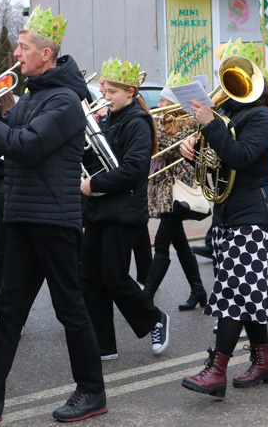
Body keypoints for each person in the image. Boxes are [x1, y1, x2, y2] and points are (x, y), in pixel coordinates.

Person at [0, 6, 107, 422]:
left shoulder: (66, 101)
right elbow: (8, 132)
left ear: (46, 55)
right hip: (23, 215)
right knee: (8, 309)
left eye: (23, 47)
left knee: (70, 308)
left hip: (54, 218)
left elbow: (24, 146)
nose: (16, 54)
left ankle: (92, 391)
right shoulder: (35, 95)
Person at [179, 39, 268, 400]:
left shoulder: (262, 117)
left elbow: (240, 156)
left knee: (234, 294)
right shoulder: (231, 116)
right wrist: (193, 152)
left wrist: (210, 125)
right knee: (245, 291)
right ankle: (264, 360)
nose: (229, 89)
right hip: (228, 214)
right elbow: (218, 167)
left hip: (253, 214)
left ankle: (217, 369)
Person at [80, 58, 169, 361]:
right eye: (104, 90)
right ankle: (104, 345)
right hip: (97, 209)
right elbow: (95, 160)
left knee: (114, 276)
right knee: (90, 277)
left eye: (111, 91)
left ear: (130, 92)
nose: (105, 96)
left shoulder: (137, 122)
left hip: (122, 210)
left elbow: (133, 169)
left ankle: (155, 318)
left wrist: (96, 183)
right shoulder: (108, 119)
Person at [142, 73, 208, 311]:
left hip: (178, 190)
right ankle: (198, 289)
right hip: (165, 190)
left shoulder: (189, 122)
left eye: (163, 102)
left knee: (161, 243)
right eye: (158, 101)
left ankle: (146, 297)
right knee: (179, 243)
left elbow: (168, 150)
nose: (159, 106)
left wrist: (151, 121)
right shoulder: (160, 120)